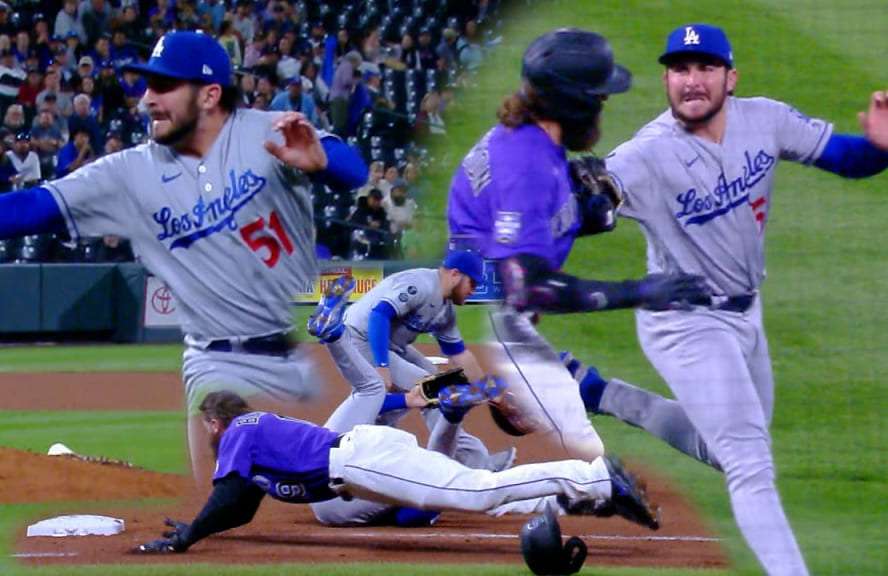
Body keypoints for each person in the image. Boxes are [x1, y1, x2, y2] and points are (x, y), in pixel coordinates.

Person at [0, 31, 368, 487]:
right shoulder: (130, 173)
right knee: (226, 502)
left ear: (209, 95)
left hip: (286, 357)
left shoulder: (268, 131)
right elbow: (34, 207)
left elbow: (355, 169)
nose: (147, 98)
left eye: (164, 85)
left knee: (338, 498)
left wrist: (325, 166)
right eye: (147, 85)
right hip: (211, 360)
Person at [557, 24, 888, 576]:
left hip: (745, 314)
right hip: (683, 321)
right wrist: (576, 202)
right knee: (750, 464)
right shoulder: (647, 153)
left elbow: (847, 158)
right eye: (680, 69)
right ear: (667, 79)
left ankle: (599, 392)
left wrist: (881, 148)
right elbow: (589, 205)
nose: (692, 81)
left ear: (730, 78)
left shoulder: (765, 119)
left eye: (705, 68)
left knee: (725, 451)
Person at [445, 28, 711, 462]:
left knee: (593, 393)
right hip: (475, 325)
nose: (605, 104)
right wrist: (639, 291)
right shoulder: (528, 166)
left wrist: (576, 215)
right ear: (574, 103)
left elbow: (511, 242)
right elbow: (525, 286)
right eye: (599, 96)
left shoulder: (530, 145)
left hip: (472, 316)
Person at [132, 389, 659, 554]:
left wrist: (188, 538)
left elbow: (226, 496)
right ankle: (593, 488)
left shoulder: (241, 429)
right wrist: (198, 531)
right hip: (361, 464)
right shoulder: (254, 437)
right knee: (472, 494)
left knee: (478, 493)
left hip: (363, 460)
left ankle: (594, 478)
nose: (204, 433)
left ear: (212, 421)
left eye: (204, 425)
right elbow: (242, 506)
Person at [304, 252, 516, 526]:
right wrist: (382, 366)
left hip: (391, 346)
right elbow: (379, 315)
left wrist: (493, 394)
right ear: (454, 274)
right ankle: (476, 465)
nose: (474, 290)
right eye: (472, 284)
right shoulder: (421, 284)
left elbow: (460, 355)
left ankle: (369, 454)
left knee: (425, 382)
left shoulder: (445, 311)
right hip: (363, 339)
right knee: (434, 392)